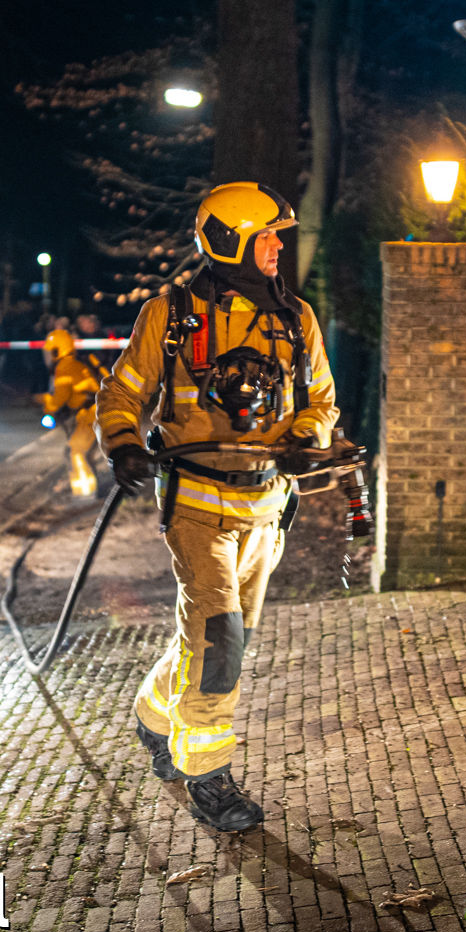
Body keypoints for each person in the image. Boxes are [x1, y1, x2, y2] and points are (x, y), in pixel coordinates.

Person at [94, 181, 338, 832]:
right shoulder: (170, 316)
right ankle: (206, 774)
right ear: (231, 241)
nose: (277, 248)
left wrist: (305, 438)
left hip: (267, 506)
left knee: (221, 637)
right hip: (197, 506)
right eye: (267, 237)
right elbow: (123, 393)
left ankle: (154, 715)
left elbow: (321, 401)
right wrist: (123, 444)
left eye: (278, 237)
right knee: (220, 636)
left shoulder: (296, 318)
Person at [34, 328, 105, 498]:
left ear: (57, 351)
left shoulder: (64, 368)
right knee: (79, 452)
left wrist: (45, 404)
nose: (47, 357)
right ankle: (86, 491)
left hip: (91, 414)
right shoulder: (74, 364)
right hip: (95, 412)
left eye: (49, 352)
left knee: (76, 451)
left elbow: (59, 398)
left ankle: (86, 495)